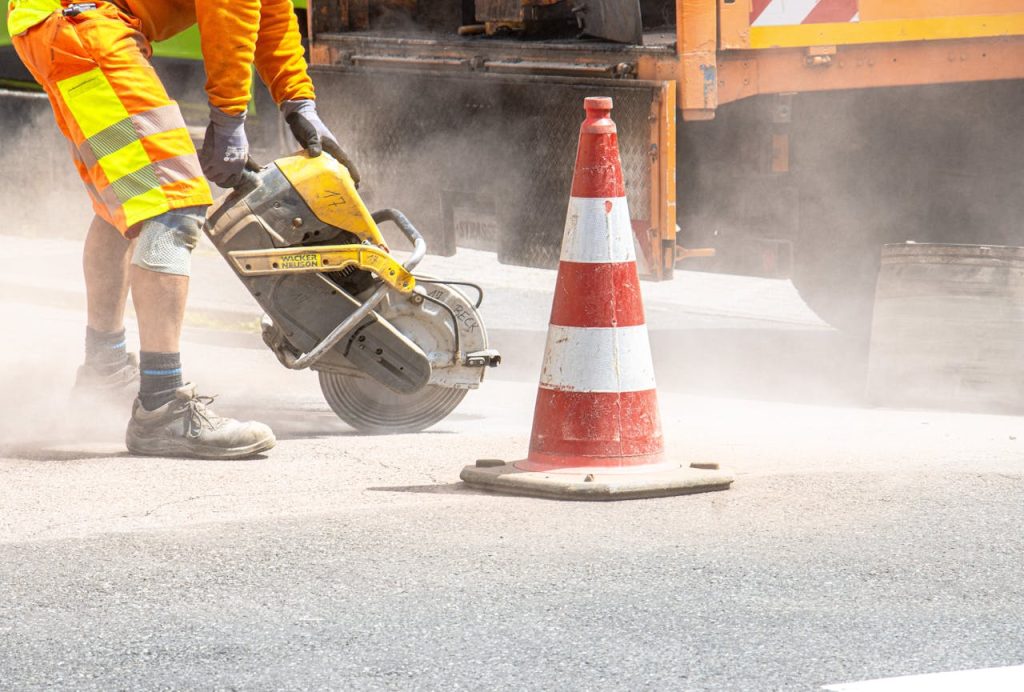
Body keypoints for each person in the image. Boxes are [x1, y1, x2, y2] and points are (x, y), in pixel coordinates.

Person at [7, 0, 357, 458]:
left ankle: (107, 370)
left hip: (67, 27)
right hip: (83, 27)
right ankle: (163, 407)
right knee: (173, 205)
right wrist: (229, 118)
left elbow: (266, 5)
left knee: (130, 204)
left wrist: (297, 100)